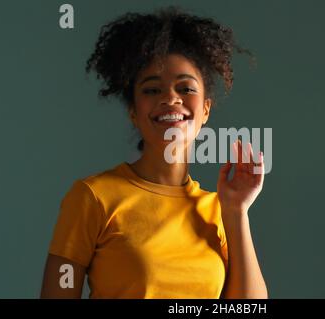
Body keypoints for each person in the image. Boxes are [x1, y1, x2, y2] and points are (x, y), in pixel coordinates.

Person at [40, 6, 268, 299]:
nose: (171, 98)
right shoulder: (93, 197)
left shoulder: (219, 210)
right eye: (152, 90)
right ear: (134, 112)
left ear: (206, 110)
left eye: (185, 88)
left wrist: (236, 212)